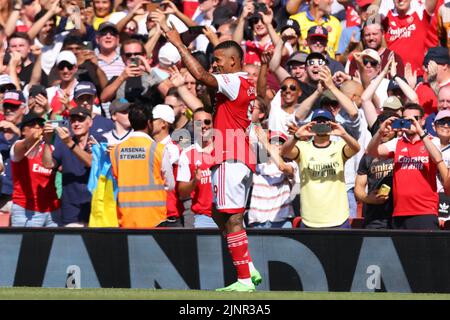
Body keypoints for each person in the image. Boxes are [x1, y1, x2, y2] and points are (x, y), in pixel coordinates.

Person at [161, 14, 261, 291]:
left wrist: (179, 45)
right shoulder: (242, 83)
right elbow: (208, 92)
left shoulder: (233, 80)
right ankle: (248, 266)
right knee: (216, 211)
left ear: (233, 61)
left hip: (231, 154)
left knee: (231, 217)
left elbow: (203, 76)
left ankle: (243, 279)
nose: (214, 64)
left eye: (218, 59)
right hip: (235, 154)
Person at [366, 103, 448, 230]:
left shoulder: (432, 140)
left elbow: (437, 157)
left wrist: (420, 131)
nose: (410, 122)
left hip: (425, 211)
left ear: (422, 120)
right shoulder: (397, 143)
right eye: (405, 119)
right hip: (400, 212)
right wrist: (380, 132)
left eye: (415, 118)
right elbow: (371, 152)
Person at [281, 108, 361, 228]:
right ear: (311, 125)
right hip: (310, 220)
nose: (322, 124)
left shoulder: (339, 146)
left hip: (338, 219)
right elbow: (284, 151)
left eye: (326, 122)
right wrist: (297, 135)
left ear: (332, 125)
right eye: (318, 122)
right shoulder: (303, 147)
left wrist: (343, 134)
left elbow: (356, 148)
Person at [110, 100, 175, 228]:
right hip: (154, 219)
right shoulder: (158, 149)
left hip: (126, 218)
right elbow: (170, 185)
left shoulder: (116, 150)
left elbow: (116, 181)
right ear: (149, 123)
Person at [42, 106, 95, 227]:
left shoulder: (97, 141)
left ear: (90, 122)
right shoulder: (63, 144)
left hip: (94, 205)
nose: (76, 123)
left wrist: (69, 143)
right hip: (70, 207)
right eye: (73, 120)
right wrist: (47, 141)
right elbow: (47, 164)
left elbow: (91, 162)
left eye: (80, 119)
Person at [10, 111, 60, 227]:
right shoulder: (18, 146)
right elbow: (20, 148)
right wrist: (32, 138)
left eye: (40, 124)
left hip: (52, 210)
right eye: (32, 124)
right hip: (26, 209)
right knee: (26, 245)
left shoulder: (50, 148)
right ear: (23, 131)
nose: (37, 127)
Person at [247, 128, 298, 228]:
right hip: (258, 221)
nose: (277, 145)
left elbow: (282, 167)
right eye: (273, 142)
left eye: (281, 142)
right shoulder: (257, 166)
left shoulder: (292, 164)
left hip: (282, 221)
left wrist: (266, 143)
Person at [355, 112, 395, 229]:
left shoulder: (402, 150)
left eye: (389, 127)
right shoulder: (368, 156)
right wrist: (369, 199)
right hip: (375, 218)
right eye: (382, 128)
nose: (385, 131)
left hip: (399, 216)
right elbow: (358, 188)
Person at [177, 108, 216, 228]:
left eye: (207, 122)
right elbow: (182, 191)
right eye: (199, 123)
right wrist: (194, 181)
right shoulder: (187, 153)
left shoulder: (225, 149)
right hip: (203, 218)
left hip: (227, 215)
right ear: (193, 126)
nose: (204, 126)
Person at [151, 103, 184, 227]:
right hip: (154, 212)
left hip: (169, 215)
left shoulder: (172, 148)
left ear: (164, 123)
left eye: (153, 120)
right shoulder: (150, 146)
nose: (149, 122)